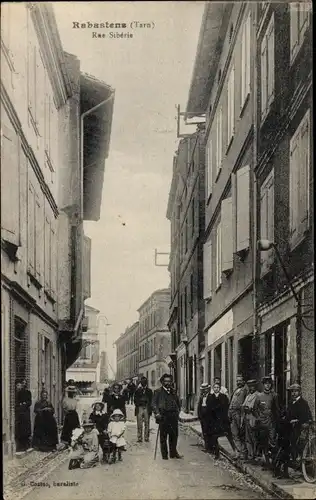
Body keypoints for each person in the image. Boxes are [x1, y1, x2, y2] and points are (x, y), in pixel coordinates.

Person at [275, 383, 313, 479]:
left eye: (295, 391)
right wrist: (286, 420)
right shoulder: (291, 402)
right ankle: (284, 470)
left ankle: (290, 465)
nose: (294, 393)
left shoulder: (303, 403)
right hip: (289, 428)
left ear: (299, 392)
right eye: (292, 391)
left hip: (298, 429)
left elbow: (307, 417)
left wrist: (297, 421)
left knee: (290, 447)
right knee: (284, 447)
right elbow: (288, 416)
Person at [152, 373, 182, 460]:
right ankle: (164, 455)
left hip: (173, 416)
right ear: (162, 382)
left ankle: (173, 453)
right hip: (163, 416)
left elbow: (177, 402)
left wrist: (178, 411)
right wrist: (157, 413)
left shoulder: (173, 391)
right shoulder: (158, 392)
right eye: (166, 381)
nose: (168, 383)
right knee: (163, 437)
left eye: (169, 381)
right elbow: (153, 404)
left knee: (174, 435)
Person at [254, 375, 279, 469]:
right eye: (265, 384)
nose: (267, 385)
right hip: (262, 423)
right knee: (264, 443)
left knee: (272, 442)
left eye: (269, 384)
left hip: (271, 423)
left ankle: (274, 463)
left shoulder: (274, 395)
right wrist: (258, 418)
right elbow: (254, 409)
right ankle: (266, 462)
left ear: (271, 385)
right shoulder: (259, 396)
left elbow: (277, 409)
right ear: (263, 385)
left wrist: (276, 420)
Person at [205, 381, 231, 460]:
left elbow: (225, 407)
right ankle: (216, 452)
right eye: (215, 387)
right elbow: (208, 407)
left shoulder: (223, 397)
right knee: (214, 437)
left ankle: (219, 451)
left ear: (220, 389)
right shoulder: (210, 397)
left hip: (220, 419)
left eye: (218, 387)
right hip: (213, 420)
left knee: (221, 435)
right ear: (213, 389)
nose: (216, 389)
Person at [228, 374, 248, 459]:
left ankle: (244, 453)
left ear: (243, 381)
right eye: (237, 381)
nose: (238, 382)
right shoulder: (236, 390)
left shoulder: (245, 390)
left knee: (241, 434)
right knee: (234, 433)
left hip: (240, 414)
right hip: (233, 413)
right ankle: (238, 452)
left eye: (240, 380)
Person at [242, 380, 259, 463]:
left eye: (252, 386)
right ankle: (250, 456)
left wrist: (249, 409)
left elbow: (256, 408)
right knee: (248, 438)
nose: (251, 388)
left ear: (255, 386)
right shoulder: (248, 396)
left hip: (253, 418)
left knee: (254, 438)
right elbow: (244, 406)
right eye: (249, 386)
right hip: (247, 418)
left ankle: (255, 456)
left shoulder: (257, 395)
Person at [134, 376, 153, 442]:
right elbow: (135, 400)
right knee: (139, 424)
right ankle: (139, 437)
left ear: (146, 383)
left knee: (147, 423)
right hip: (140, 408)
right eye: (142, 382)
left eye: (145, 382)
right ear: (140, 382)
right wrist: (140, 402)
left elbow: (151, 400)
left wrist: (149, 407)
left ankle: (146, 437)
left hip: (147, 408)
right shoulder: (137, 391)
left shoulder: (149, 391)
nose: (143, 383)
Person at [15, 379, 32, 452]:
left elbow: (29, 402)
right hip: (20, 413)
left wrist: (24, 404)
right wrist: (21, 405)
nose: (24, 385)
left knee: (26, 428)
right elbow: (17, 403)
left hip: (26, 413)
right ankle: (21, 446)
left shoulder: (28, 392)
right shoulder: (19, 393)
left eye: (25, 383)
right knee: (21, 429)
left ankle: (26, 445)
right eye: (23, 383)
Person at [197, 383, 212, 453]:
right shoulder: (201, 397)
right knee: (204, 432)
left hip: (208, 417)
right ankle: (207, 447)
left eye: (205, 389)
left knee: (209, 432)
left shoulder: (211, 396)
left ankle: (210, 448)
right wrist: (199, 416)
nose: (204, 391)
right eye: (203, 389)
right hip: (202, 417)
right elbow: (199, 407)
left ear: (208, 389)